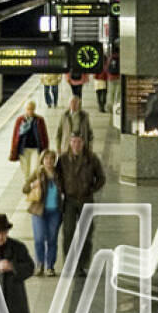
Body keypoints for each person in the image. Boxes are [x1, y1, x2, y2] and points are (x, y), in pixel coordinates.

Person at [57, 133, 106, 276]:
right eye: (73, 142)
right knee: (68, 232)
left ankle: (82, 265)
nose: (76, 145)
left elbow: (101, 178)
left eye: (79, 142)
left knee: (86, 233)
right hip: (70, 200)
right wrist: (61, 189)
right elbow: (57, 175)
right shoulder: (64, 159)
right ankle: (69, 264)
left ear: (83, 143)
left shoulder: (91, 159)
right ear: (70, 143)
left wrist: (91, 189)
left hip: (86, 200)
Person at [25, 149, 63, 277]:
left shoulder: (59, 174)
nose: (49, 161)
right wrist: (32, 185)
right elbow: (24, 188)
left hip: (55, 212)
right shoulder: (37, 173)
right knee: (39, 239)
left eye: (51, 159)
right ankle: (40, 264)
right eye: (46, 159)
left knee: (52, 239)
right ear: (42, 160)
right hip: (39, 212)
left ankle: (50, 266)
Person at [9, 101, 49, 181]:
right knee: (25, 171)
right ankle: (28, 188)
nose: (30, 111)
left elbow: (44, 136)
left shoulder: (39, 120)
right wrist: (13, 150)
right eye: (28, 109)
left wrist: (46, 150)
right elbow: (15, 136)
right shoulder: (20, 120)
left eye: (32, 109)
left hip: (35, 149)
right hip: (23, 150)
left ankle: (32, 187)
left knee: (34, 170)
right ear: (25, 109)